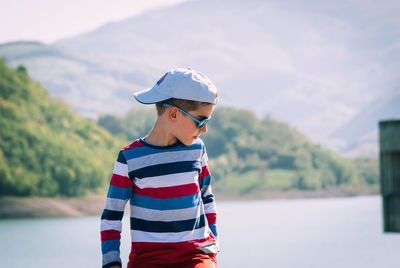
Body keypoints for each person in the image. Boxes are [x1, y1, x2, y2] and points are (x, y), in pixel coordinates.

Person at [100, 68, 219, 268]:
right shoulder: (129, 158)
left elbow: (207, 197)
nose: (205, 129)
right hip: (147, 259)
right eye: (201, 120)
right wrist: (111, 263)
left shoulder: (197, 149)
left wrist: (213, 243)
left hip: (195, 255)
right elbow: (111, 216)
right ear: (173, 114)